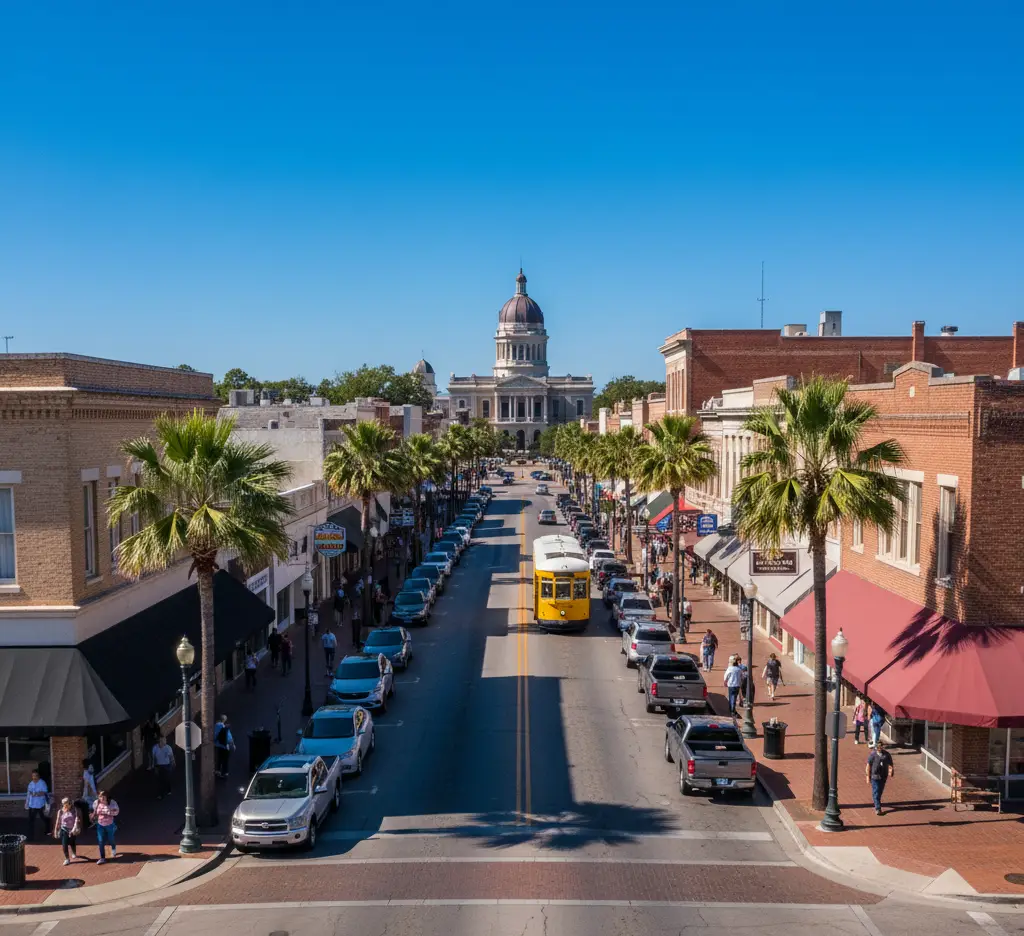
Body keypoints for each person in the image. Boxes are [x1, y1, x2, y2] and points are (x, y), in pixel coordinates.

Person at [865, 740, 895, 815]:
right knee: (876, 791)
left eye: (881, 747)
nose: (879, 748)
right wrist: (867, 776)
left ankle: (877, 800)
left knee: (880, 791)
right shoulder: (873, 755)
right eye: (878, 747)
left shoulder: (886, 755)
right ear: (876, 747)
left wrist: (891, 772)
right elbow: (868, 766)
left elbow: (890, 764)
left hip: (883, 776)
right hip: (874, 776)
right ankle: (878, 808)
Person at [90, 791, 119, 864]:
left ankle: (113, 849)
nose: (102, 798)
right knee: (100, 841)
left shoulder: (112, 803)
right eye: (100, 796)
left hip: (109, 824)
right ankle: (102, 858)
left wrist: (109, 812)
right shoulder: (97, 803)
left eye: (103, 796)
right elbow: (95, 812)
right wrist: (94, 815)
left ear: (106, 796)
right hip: (100, 825)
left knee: (111, 839)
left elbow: (116, 812)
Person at [52, 797, 81, 865]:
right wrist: (55, 831)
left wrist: (74, 828)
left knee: (72, 842)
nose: (65, 805)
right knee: (64, 844)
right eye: (64, 804)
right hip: (64, 829)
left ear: (69, 803)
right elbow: (58, 821)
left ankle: (74, 852)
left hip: (72, 829)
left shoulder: (74, 810)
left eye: (66, 803)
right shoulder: (60, 811)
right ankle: (67, 859)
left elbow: (77, 820)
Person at [25, 769, 50, 840]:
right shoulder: (30, 784)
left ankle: (47, 828)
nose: (34, 777)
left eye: (36, 776)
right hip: (32, 804)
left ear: (38, 776)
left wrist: (36, 794)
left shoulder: (42, 783)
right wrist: (26, 803)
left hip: (40, 804)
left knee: (43, 818)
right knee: (30, 821)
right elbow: (28, 794)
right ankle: (30, 837)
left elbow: (45, 792)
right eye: (33, 776)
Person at [152, 735, 175, 799]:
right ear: (159, 741)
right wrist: (155, 767)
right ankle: (160, 795)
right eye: (163, 740)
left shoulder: (168, 748)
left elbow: (171, 757)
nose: (165, 741)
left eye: (165, 740)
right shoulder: (155, 748)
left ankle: (168, 789)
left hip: (167, 765)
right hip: (159, 766)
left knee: (167, 779)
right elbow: (154, 758)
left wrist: (173, 763)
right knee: (160, 780)